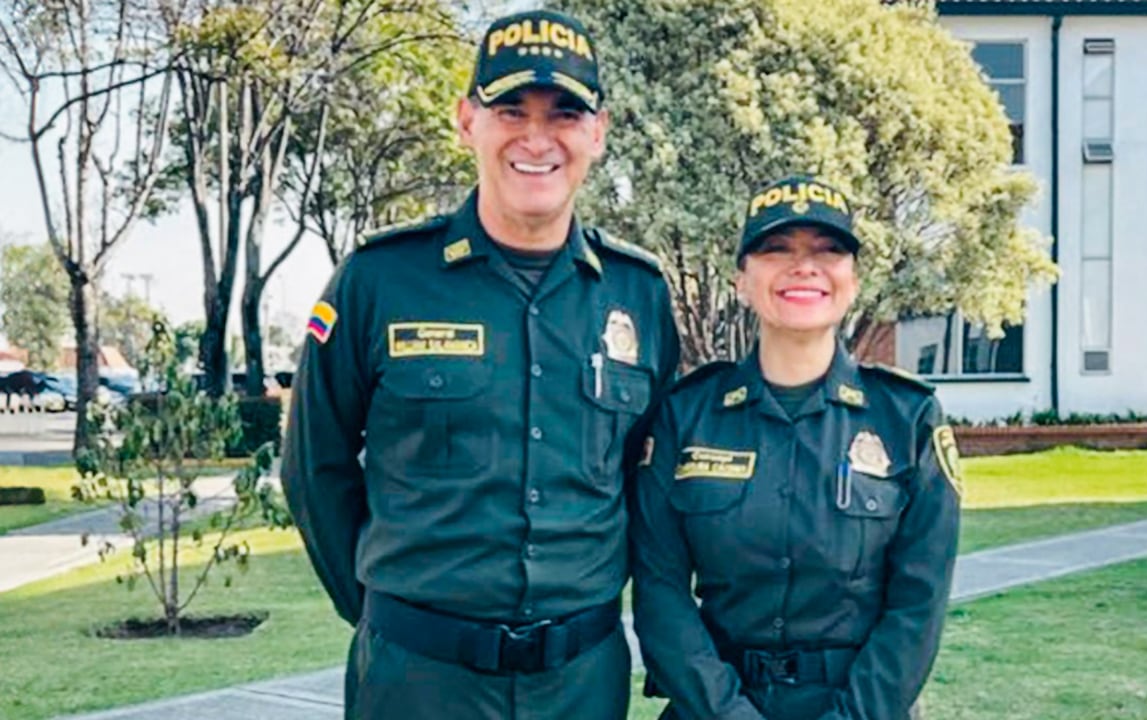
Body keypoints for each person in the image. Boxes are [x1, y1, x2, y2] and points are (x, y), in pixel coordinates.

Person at [281, 9, 680, 719]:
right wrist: (386, 613)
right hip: (417, 680)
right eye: (509, 109)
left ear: (598, 132)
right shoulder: (378, 281)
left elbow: (644, 475)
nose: (537, 137)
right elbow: (316, 466)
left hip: (581, 683)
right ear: (467, 120)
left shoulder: (638, 293)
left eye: (564, 113)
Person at [631, 175, 962, 720]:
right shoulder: (685, 415)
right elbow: (658, 590)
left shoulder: (908, 419)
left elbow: (916, 609)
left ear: (853, 280)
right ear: (741, 279)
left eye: (828, 250)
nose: (803, 266)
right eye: (776, 249)